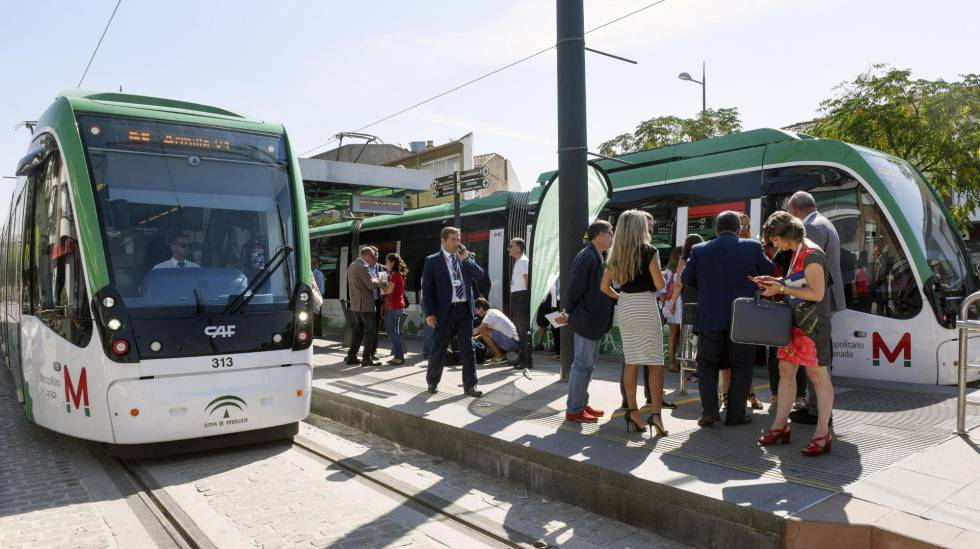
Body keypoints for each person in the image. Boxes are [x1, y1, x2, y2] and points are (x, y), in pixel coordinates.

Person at [683, 211, 774, 427]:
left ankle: (710, 412)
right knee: (742, 366)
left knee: (706, 365)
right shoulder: (752, 247)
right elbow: (769, 270)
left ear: (716, 230)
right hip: (743, 318)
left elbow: (687, 279)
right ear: (738, 230)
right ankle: (736, 415)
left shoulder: (699, 250)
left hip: (710, 318)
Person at [756, 211, 835, 456]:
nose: (773, 245)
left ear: (786, 235)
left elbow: (817, 294)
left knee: (818, 377)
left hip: (812, 327)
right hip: (797, 323)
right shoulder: (799, 252)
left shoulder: (812, 255)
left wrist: (780, 286)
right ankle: (780, 426)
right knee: (785, 370)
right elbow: (797, 283)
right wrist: (776, 280)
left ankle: (822, 433)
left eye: (775, 240)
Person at [601, 210, 668, 436]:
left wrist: (622, 297)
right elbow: (659, 284)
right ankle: (656, 416)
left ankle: (632, 412)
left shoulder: (615, 253)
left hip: (627, 306)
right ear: (640, 227)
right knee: (655, 363)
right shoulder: (649, 251)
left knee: (632, 361)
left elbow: (604, 287)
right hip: (645, 306)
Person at [788, 191, 843, 425]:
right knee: (818, 355)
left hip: (815, 299)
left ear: (797, 210)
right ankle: (815, 406)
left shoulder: (811, 229)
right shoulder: (826, 222)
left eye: (790, 214)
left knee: (816, 357)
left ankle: (818, 411)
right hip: (825, 296)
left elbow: (808, 267)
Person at [421, 227, 486, 397]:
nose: (458, 242)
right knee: (439, 348)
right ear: (443, 241)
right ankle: (432, 382)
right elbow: (427, 290)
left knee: (468, 348)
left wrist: (466, 260)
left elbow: (480, 275)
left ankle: (470, 386)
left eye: (458, 239)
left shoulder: (465, 257)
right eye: (453, 239)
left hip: (464, 310)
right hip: (445, 312)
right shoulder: (432, 260)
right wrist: (429, 313)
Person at [564, 220, 615, 423]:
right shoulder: (587, 256)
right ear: (600, 234)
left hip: (593, 320)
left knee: (588, 365)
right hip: (586, 319)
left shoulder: (596, 255)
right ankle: (574, 409)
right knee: (581, 365)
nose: (612, 236)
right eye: (610, 232)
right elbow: (574, 287)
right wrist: (568, 310)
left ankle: (581, 403)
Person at [720, 213, 764, 411]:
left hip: (749, 309)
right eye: (741, 225)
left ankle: (751, 393)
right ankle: (726, 396)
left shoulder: (754, 248)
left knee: (748, 358)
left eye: (747, 225)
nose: (744, 228)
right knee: (726, 359)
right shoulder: (728, 246)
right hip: (727, 309)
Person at [668, 234, 704, 383]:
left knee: (690, 334)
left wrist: (673, 302)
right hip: (704, 299)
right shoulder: (705, 257)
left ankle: (694, 368)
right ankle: (702, 368)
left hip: (689, 300)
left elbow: (679, 283)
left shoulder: (684, 260)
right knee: (703, 334)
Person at [345, 247, 381, 367]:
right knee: (370, 332)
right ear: (368, 255)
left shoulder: (352, 265)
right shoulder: (363, 267)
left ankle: (351, 356)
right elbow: (371, 285)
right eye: (374, 257)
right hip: (366, 306)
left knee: (357, 332)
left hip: (355, 305)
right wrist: (378, 280)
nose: (375, 260)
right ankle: (366, 358)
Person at [474, 298, 520, 364]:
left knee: (483, 331)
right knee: (488, 352)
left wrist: (464, 333)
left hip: (510, 343)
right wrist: (479, 337)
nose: (476, 312)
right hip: (514, 342)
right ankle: (502, 355)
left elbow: (479, 330)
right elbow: (495, 330)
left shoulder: (489, 315)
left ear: (481, 307)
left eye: (476, 310)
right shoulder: (494, 311)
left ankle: (499, 356)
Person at [381, 253, 408, 365]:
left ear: (392, 263)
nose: (385, 264)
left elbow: (388, 291)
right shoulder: (395, 274)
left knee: (392, 332)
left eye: (387, 262)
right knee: (393, 332)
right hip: (395, 307)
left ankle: (399, 357)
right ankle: (398, 356)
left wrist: (379, 284)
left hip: (394, 307)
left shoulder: (396, 275)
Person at [661, 246, 683, 372]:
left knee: (678, 334)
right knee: (674, 334)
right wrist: (665, 307)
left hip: (676, 304)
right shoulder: (669, 272)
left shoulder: (671, 271)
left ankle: (677, 361)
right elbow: (663, 291)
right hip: (673, 304)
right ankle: (672, 362)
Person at [509, 238, 530, 358]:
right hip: (519, 296)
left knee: (522, 329)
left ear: (518, 248)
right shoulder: (519, 262)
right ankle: (523, 357)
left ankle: (526, 359)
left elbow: (527, 280)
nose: (509, 249)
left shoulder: (522, 262)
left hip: (521, 297)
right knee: (520, 329)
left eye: (510, 246)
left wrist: (526, 298)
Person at [312, 257, 325, 337]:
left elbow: (321, 288)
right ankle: (316, 332)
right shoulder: (311, 273)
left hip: (317, 298)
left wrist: (319, 298)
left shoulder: (319, 274)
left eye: (314, 263)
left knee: (317, 316)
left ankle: (318, 333)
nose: (313, 264)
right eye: (312, 263)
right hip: (313, 297)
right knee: (314, 316)